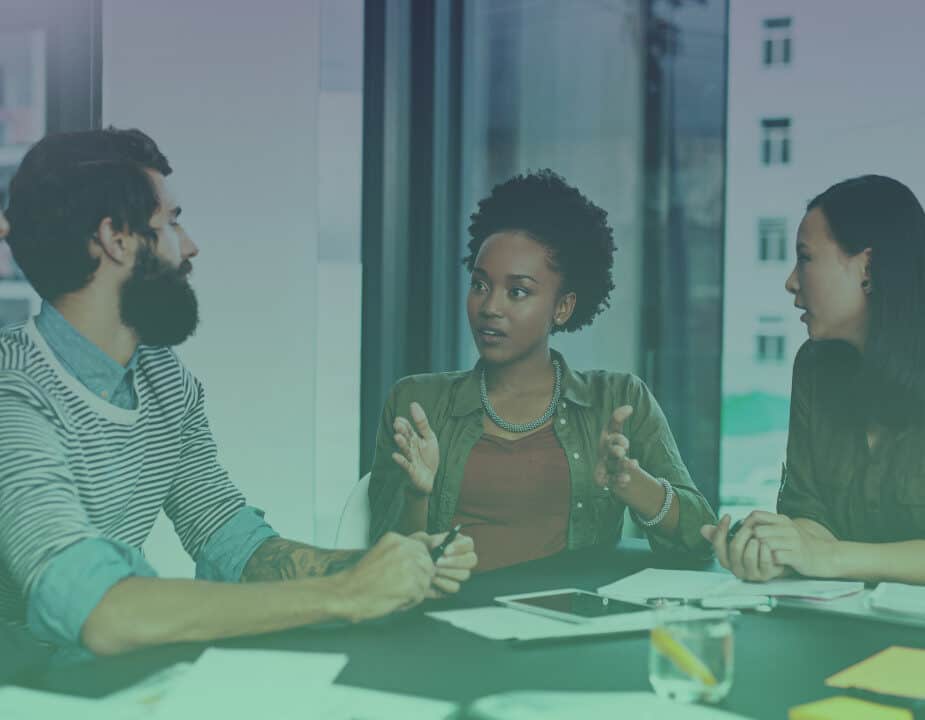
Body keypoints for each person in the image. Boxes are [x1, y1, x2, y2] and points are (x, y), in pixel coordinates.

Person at [0, 128, 476, 658]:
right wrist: (345, 594)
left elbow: (232, 541)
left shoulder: (163, 379)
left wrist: (382, 567)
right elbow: (96, 610)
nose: (190, 245)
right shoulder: (12, 392)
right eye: (172, 222)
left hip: (104, 678)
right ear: (117, 239)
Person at [368, 170, 716, 571]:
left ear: (562, 307)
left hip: (574, 610)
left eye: (517, 291)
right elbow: (382, 565)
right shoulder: (418, 403)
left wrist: (635, 486)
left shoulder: (618, 400)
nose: (490, 307)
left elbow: (701, 538)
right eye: (480, 285)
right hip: (453, 606)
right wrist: (418, 496)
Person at [701, 175, 925, 584]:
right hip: (842, 615)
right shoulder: (815, 366)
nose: (790, 282)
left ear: (867, 268)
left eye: (804, 258)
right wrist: (779, 551)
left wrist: (832, 558)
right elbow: (811, 517)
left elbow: (828, 554)